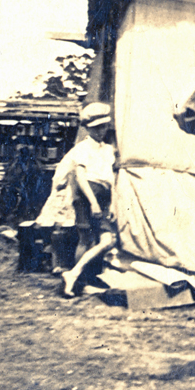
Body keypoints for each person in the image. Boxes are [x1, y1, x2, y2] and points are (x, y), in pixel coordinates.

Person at [55, 102, 118, 297]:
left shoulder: (108, 150)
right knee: (86, 239)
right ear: (88, 128)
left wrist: (113, 202)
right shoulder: (81, 149)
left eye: (104, 126)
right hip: (87, 194)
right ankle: (80, 282)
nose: (101, 130)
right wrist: (93, 202)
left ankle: (74, 274)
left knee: (108, 240)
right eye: (96, 127)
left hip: (104, 194)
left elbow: (111, 179)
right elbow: (81, 177)